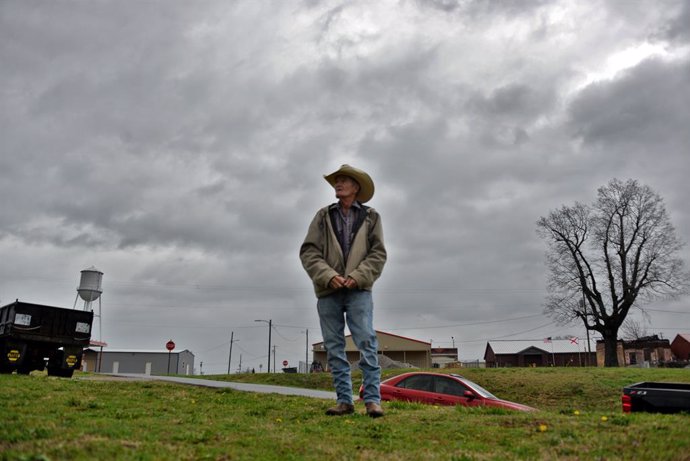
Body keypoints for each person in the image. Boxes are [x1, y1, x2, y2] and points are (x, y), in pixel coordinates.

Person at [300, 164, 387, 418]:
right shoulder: (322, 216)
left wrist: (357, 277)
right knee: (334, 346)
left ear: (356, 187)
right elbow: (309, 251)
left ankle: (372, 400)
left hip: (359, 290)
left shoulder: (371, 217)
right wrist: (330, 276)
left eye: (344, 180)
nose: (338, 184)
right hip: (328, 291)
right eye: (337, 180)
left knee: (366, 341)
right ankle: (344, 401)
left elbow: (378, 253)